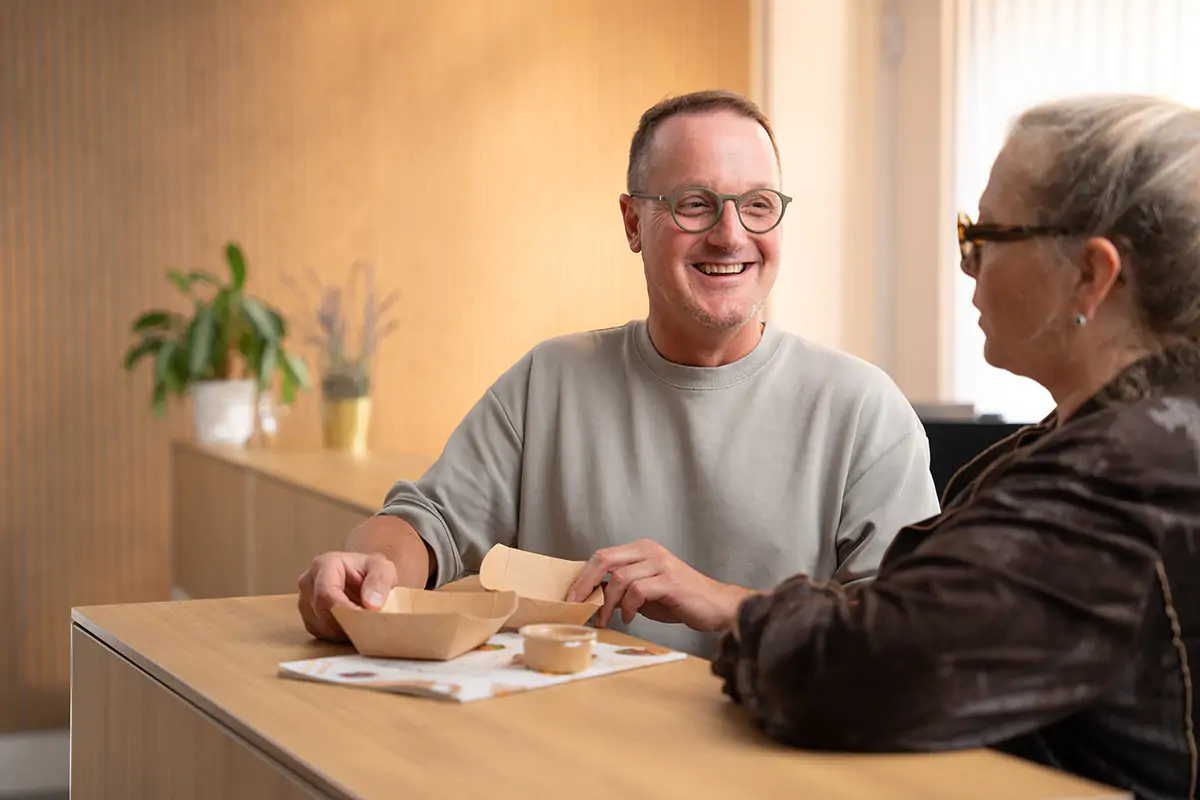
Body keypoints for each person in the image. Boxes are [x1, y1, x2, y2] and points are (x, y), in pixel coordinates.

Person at [297, 90, 940, 658]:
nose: (730, 234)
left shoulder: (865, 411)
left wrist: (723, 602)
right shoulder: (549, 380)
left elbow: (909, 636)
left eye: (758, 204)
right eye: (695, 204)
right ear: (634, 222)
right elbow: (425, 520)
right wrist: (372, 566)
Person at [713, 94, 1200, 800]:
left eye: (985, 234)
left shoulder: (1128, 473)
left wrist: (747, 615)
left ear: (1091, 275)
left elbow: (838, 676)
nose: (968, 266)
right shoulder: (1125, 432)